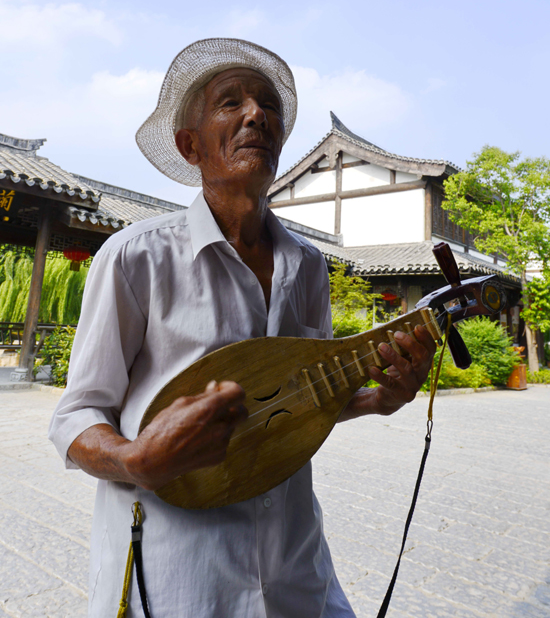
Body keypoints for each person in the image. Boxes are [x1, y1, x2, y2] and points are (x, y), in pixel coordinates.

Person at [48, 38, 436, 618]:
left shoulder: (308, 266)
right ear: (190, 145)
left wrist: (374, 399)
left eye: (268, 107)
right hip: (180, 572)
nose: (256, 114)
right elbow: (75, 415)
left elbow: (302, 394)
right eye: (230, 103)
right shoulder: (137, 259)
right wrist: (135, 461)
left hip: (295, 568)